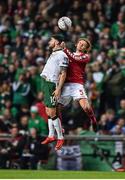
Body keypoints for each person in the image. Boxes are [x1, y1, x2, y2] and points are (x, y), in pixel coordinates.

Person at [59, 38, 97, 131]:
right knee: (56, 108)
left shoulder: (85, 56)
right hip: (66, 85)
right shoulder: (67, 54)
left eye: (83, 44)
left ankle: (93, 120)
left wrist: (65, 49)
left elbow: (75, 58)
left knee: (86, 107)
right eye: (80, 42)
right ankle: (59, 128)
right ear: (76, 44)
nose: (81, 44)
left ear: (85, 49)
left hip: (77, 85)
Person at [40, 34, 69, 150]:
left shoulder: (62, 55)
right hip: (46, 83)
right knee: (48, 110)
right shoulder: (55, 53)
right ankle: (51, 135)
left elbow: (63, 73)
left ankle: (60, 137)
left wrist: (58, 88)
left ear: (57, 42)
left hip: (52, 84)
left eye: (51, 40)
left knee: (52, 112)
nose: (49, 42)